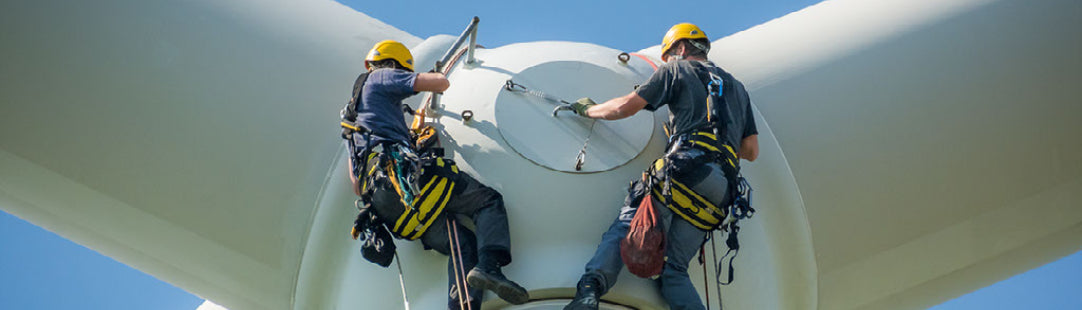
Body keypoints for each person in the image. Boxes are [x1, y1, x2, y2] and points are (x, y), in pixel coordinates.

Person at [561, 23, 760, 310]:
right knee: (673, 271)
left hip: (684, 170)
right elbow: (751, 151)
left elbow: (625, 107)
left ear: (679, 49)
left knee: (630, 224)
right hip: (721, 190)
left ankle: (589, 291)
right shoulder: (737, 89)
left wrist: (588, 110)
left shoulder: (676, 71)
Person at [343, 40, 529, 309]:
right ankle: (490, 266)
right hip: (405, 182)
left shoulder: (352, 119)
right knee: (487, 201)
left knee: (463, 244)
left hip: (388, 206)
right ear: (395, 65)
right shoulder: (382, 76)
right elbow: (440, 83)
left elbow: (356, 186)